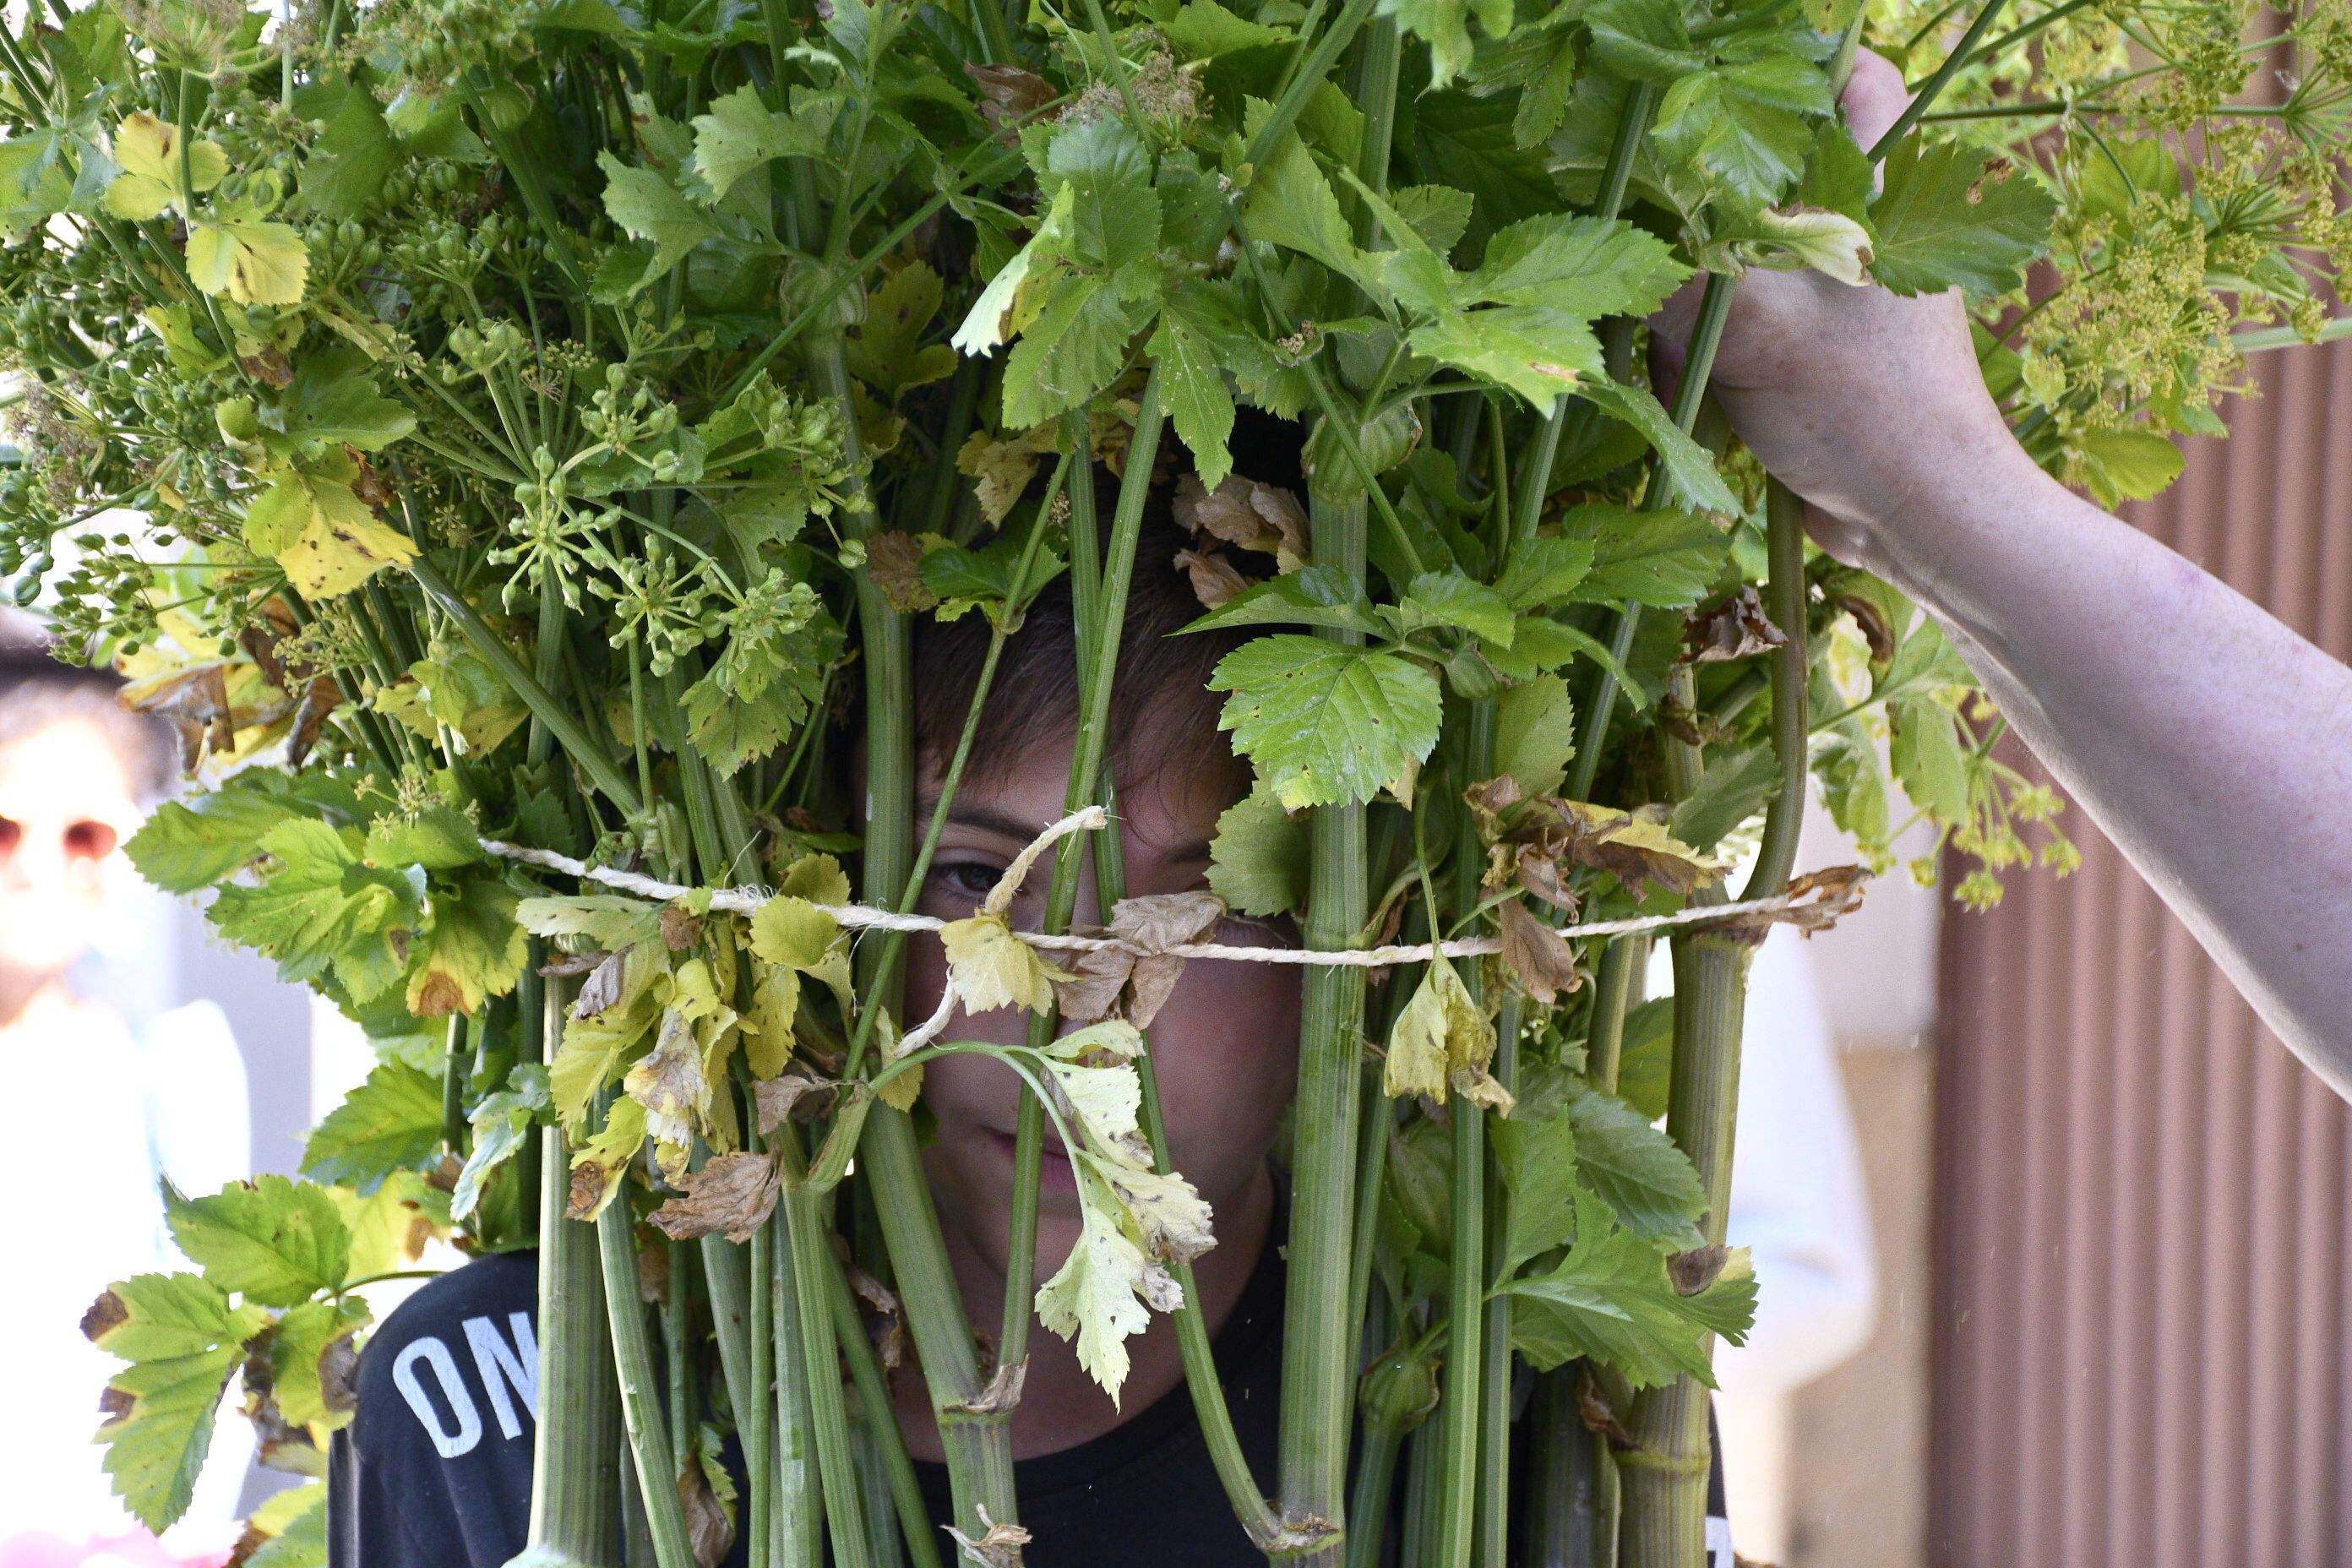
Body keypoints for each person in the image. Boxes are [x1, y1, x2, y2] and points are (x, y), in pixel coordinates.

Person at [335, 48, 2352, 1568]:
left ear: (1378, 925)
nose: (1064, 1015)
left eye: (1192, 905)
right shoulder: (511, 1395)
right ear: (782, 893)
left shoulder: (1515, 1401)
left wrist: (1947, 497)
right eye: (959, 880)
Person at [0, 638, 253, 1565]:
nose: (37, 866)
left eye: (85, 833)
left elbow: (218, 1360)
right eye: (2, 827)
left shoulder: (175, 1069)